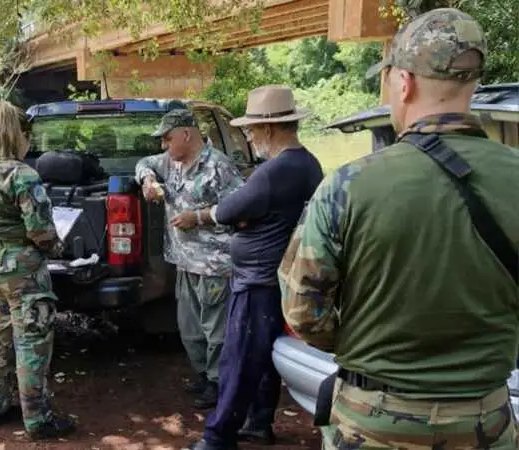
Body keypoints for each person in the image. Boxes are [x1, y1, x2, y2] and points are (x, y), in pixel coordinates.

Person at [279, 8, 519, 449]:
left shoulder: (349, 186)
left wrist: (370, 344)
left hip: (374, 425)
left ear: (404, 83)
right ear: (473, 82)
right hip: (486, 424)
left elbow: (303, 315)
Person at [189, 86, 323, 450]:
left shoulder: (274, 171)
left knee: (240, 359)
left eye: (251, 129)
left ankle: (218, 437)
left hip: (258, 278)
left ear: (269, 128)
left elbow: (230, 211)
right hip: (278, 273)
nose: (248, 136)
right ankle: (259, 423)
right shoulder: (308, 163)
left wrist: (238, 219)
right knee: (264, 357)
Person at [0, 101, 76, 440]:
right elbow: (40, 230)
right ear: (22, 136)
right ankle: (37, 420)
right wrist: (59, 249)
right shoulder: (22, 174)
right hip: (21, 269)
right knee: (32, 340)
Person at [135, 109, 243, 409]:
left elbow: (240, 208)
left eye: (167, 138)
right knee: (190, 328)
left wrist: (198, 217)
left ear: (186, 134)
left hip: (214, 263)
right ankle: (204, 375)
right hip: (184, 262)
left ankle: (219, 383)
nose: (163, 145)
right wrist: (147, 180)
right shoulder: (171, 161)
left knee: (216, 330)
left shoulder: (218, 166)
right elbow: (145, 163)